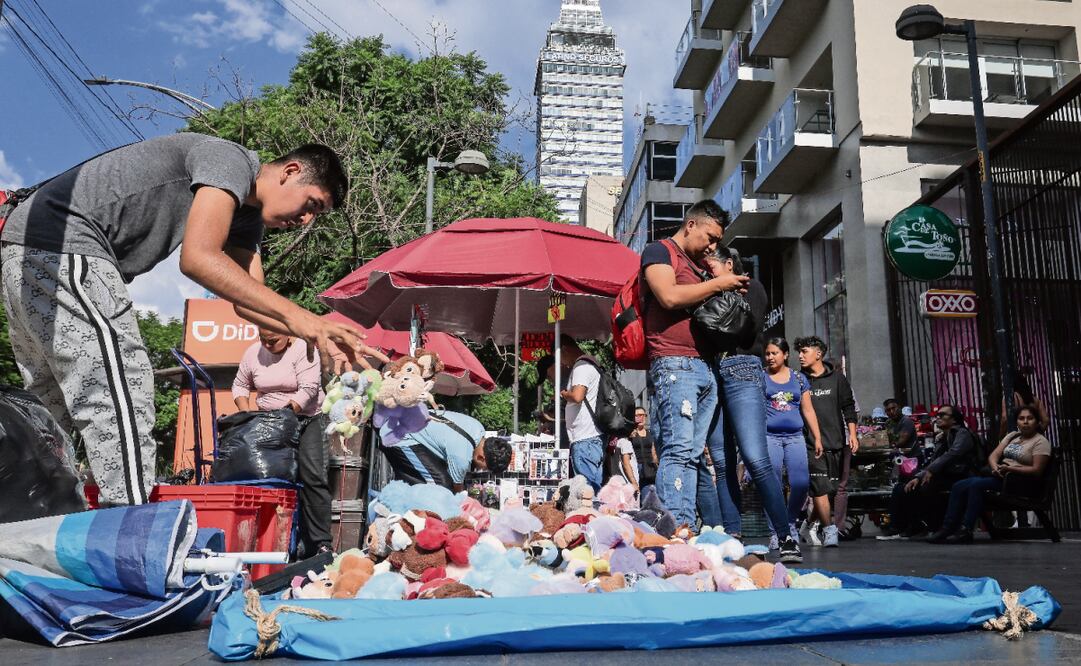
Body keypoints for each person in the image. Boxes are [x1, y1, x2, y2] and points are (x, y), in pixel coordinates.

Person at [0, 133, 368, 506]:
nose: (305, 220)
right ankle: (128, 526)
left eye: (315, 216)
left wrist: (316, 336)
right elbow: (198, 257)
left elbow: (250, 303)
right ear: (290, 171)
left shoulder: (246, 215)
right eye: (311, 205)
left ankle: (38, 524)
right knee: (121, 387)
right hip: (66, 245)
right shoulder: (231, 160)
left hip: (29, 250)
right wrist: (308, 320)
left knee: (48, 414)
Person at [641, 200, 749, 527]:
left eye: (718, 240)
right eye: (710, 237)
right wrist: (719, 284)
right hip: (675, 365)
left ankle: (684, 526)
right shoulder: (660, 251)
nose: (713, 245)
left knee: (691, 455)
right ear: (691, 225)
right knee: (677, 450)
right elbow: (669, 297)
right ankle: (672, 529)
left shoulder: (698, 265)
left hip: (703, 367)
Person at [233, 327, 377, 557]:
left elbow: (309, 389)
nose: (267, 345)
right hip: (268, 420)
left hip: (305, 418)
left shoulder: (304, 349)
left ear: (287, 335)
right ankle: (268, 538)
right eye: (263, 340)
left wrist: (285, 414)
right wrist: (246, 413)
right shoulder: (252, 353)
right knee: (268, 475)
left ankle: (321, 543)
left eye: (273, 340)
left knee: (312, 475)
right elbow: (240, 385)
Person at [699, 247, 797, 561]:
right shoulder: (706, 290)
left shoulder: (749, 287)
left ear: (730, 264)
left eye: (710, 265)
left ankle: (785, 536)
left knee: (756, 459)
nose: (705, 271)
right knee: (722, 461)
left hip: (742, 369)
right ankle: (733, 537)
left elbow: (741, 329)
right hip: (712, 374)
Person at [928, 405, 1051, 544]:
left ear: (1037, 422)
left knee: (976, 485)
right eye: (1021, 418)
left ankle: (966, 530)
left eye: (1030, 418)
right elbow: (994, 455)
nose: (1025, 422)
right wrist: (996, 467)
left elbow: (1037, 470)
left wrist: (1011, 470)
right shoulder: (1012, 436)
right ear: (1017, 422)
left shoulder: (1040, 442)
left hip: (1020, 482)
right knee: (959, 486)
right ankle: (947, 527)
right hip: (1001, 477)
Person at [878, 405, 981, 539]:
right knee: (904, 487)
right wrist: (918, 476)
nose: (938, 418)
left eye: (942, 415)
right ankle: (906, 526)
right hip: (946, 475)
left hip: (962, 475)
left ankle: (935, 526)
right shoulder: (943, 437)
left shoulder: (962, 433)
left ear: (954, 419)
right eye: (937, 415)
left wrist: (930, 471)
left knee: (926, 487)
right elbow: (933, 460)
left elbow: (952, 454)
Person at [795, 336, 858, 548]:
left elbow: (848, 407)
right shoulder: (798, 379)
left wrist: (853, 434)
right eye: (799, 352)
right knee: (820, 488)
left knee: (829, 490)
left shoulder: (838, 379)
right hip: (809, 443)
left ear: (818, 353)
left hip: (837, 442)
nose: (800, 356)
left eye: (805, 351)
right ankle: (830, 531)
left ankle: (807, 525)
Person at [762, 337, 822, 560]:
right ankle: (777, 532)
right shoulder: (762, 378)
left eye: (774, 353)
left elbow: (808, 410)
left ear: (785, 355)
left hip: (795, 437)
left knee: (801, 483)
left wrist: (817, 437)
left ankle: (787, 523)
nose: (770, 357)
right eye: (767, 353)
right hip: (770, 438)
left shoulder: (798, 378)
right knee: (773, 486)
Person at [378, 410, 511, 491]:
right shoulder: (462, 457)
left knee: (438, 477)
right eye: (484, 468)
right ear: (481, 457)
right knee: (441, 486)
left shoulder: (477, 427)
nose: (481, 470)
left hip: (403, 423)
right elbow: (457, 489)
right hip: (398, 436)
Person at [557, 335, 604, 492]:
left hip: (585, 440)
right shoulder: (587, 364)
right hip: (589, 440)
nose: (562, 364)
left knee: (586, 493)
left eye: (559, 358)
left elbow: (577, 396)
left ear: (563, 350)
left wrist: (564, 394)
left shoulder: (581, 367)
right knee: (592, 491)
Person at [630, 407, 658, 488]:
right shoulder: (630, 434)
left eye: (642, 415)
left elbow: (654, 453)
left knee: (649, 496)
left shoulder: (650, 433)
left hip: (650, 470)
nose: (640, 418)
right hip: (636, 468)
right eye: (637, 415)